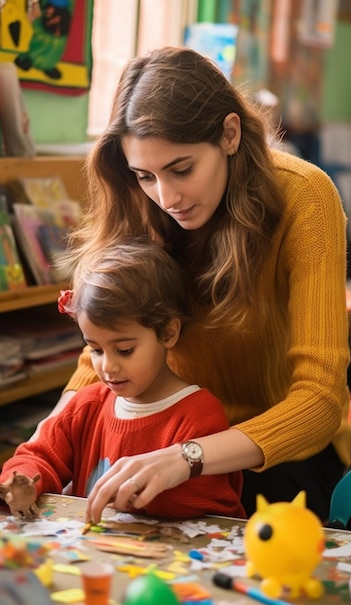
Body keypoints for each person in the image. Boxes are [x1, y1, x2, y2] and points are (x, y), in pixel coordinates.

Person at [40, 46, 351, 524]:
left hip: (278, 450)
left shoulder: (305, 197)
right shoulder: (138, 202)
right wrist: (48, 441)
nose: (167, 197)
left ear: (230, 134)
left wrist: (188, 456)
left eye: (181, 169)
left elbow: (320, 401)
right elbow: (102, 345)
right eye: (146, 175)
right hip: (164, 433)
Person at [0, 239, 245, 521]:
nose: (108, 366)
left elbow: (214, 512)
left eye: (125, 350)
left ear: (167, 333)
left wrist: (145, 490)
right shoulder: (87, 404)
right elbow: (37, 456)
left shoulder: (198, 414)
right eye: (95, 349)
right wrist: (26, 483)